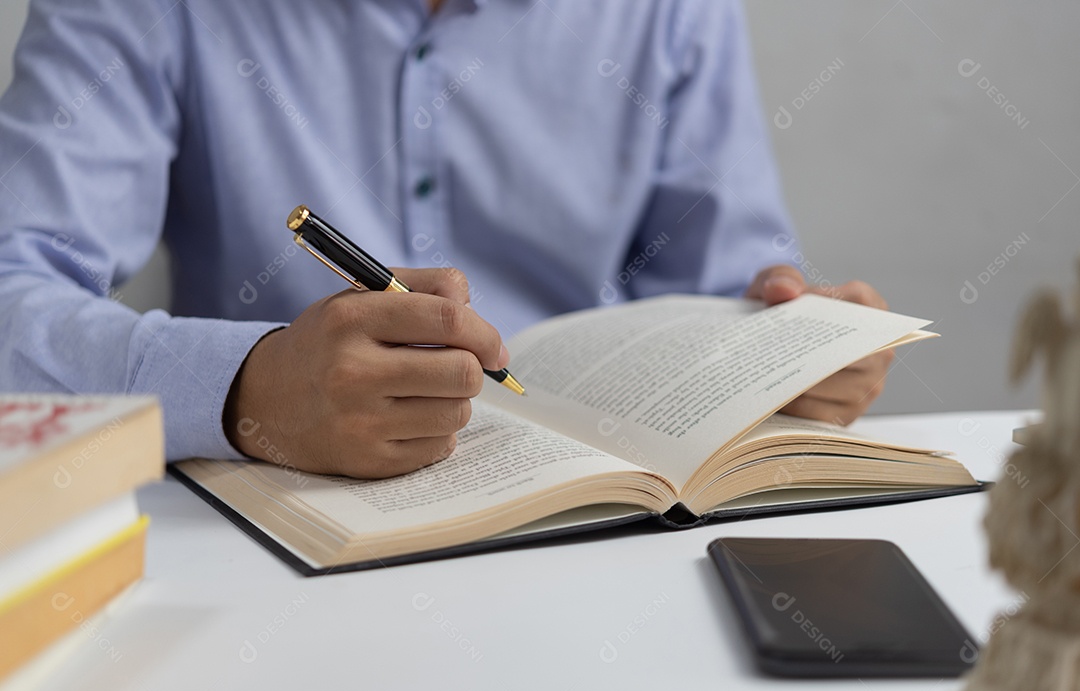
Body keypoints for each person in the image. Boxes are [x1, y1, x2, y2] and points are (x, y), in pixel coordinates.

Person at [0, 0, 892, 479]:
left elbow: (730, 279)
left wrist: (789, 344)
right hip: (275, 530)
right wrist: (246, 387)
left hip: (599, 516)